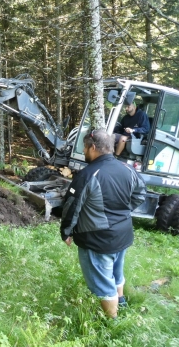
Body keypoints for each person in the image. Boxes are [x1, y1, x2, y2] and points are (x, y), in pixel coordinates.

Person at [60, 129, 146, 319]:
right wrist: (122, 210)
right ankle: (121, 302)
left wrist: (66, 232)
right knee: (116, 270)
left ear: (92, 147)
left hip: (97, 239)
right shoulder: (127, 169)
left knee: (103, 284)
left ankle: (113, 324)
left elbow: (71, 207)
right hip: (122, 234)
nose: (83, 151)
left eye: (84, 147)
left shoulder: (87, 174)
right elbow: (141, 194)